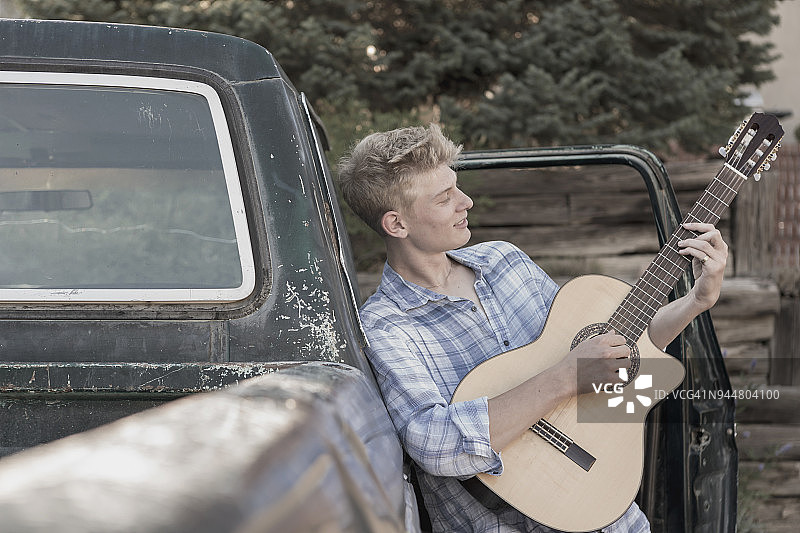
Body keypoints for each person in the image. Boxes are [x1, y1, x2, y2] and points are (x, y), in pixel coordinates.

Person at [337, 124, 728, 532]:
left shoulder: (506, 262)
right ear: (396, 224)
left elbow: (611, 352)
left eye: (458, 187)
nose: (466, 202)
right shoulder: (386, 326)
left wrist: (695, 302)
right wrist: (564, 378)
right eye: (444, 198)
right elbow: (435, 445)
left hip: (610, 516)